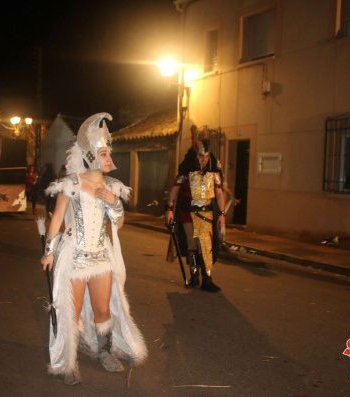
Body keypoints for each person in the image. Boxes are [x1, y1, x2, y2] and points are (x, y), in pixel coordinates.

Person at [40, 112, 147, 386]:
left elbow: (119, 223)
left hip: (100, 256)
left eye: (108, 152)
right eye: (103, 153)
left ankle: (104, 350)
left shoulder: (113, 186)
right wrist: (49, 251)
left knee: (103, 309)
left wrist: (114, 202)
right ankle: (70, 361)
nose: (109, 157)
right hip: (74, 255)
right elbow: (56, 219)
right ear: (88, 156)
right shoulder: (72, 184)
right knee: (71, 312)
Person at [165, 127, 226, 292]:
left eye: (206, 157)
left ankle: (207, 279)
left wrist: (221, 214)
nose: (204, 160)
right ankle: (194, 277)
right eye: (201, 156)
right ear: (195, 154)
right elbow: (175, 189)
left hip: (206, 211)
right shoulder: (186, 169)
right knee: (192, 244)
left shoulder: (214, 171)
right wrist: (170, 209)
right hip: (187, 211)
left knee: (205, 244)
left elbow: (219, 193)